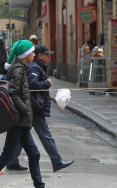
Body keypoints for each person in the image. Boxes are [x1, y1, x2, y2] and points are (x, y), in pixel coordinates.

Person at [0, 40, 58, 188]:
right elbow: (14, 94)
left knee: (34, 154)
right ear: (25, 55)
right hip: (18, 120)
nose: (34, 55)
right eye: (32, 52)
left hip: (21, 121)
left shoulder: (21, 68)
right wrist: (25, 109)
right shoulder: (18, 70)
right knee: (8, 155)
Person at [6, 44, 74, 172]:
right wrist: (47, 83)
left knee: (23, 134)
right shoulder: (34, 68)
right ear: (40, 55)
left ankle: (12, 160)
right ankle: (57, 161)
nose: (49, 57)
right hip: (34, 107)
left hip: (30, 106)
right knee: (45, 134)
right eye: (47, 55)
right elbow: (32, 84)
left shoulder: (36, 67)